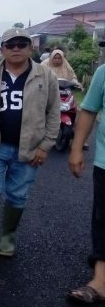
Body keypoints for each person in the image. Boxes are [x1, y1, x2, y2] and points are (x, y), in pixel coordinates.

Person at [0, 28, 60, 256]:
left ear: (31, 47)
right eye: (11, 45)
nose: (16, 48)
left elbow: (54, 112)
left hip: (29, 149)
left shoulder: (45, 76)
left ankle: (7, 236)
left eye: (21, 44)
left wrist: (45, 145)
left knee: (18, 194)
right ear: (2, 49)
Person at [67, 63, 105, 304]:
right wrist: (76, 149)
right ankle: (101, 281)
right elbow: (89, 110)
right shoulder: (103, 72)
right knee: (103, 218)